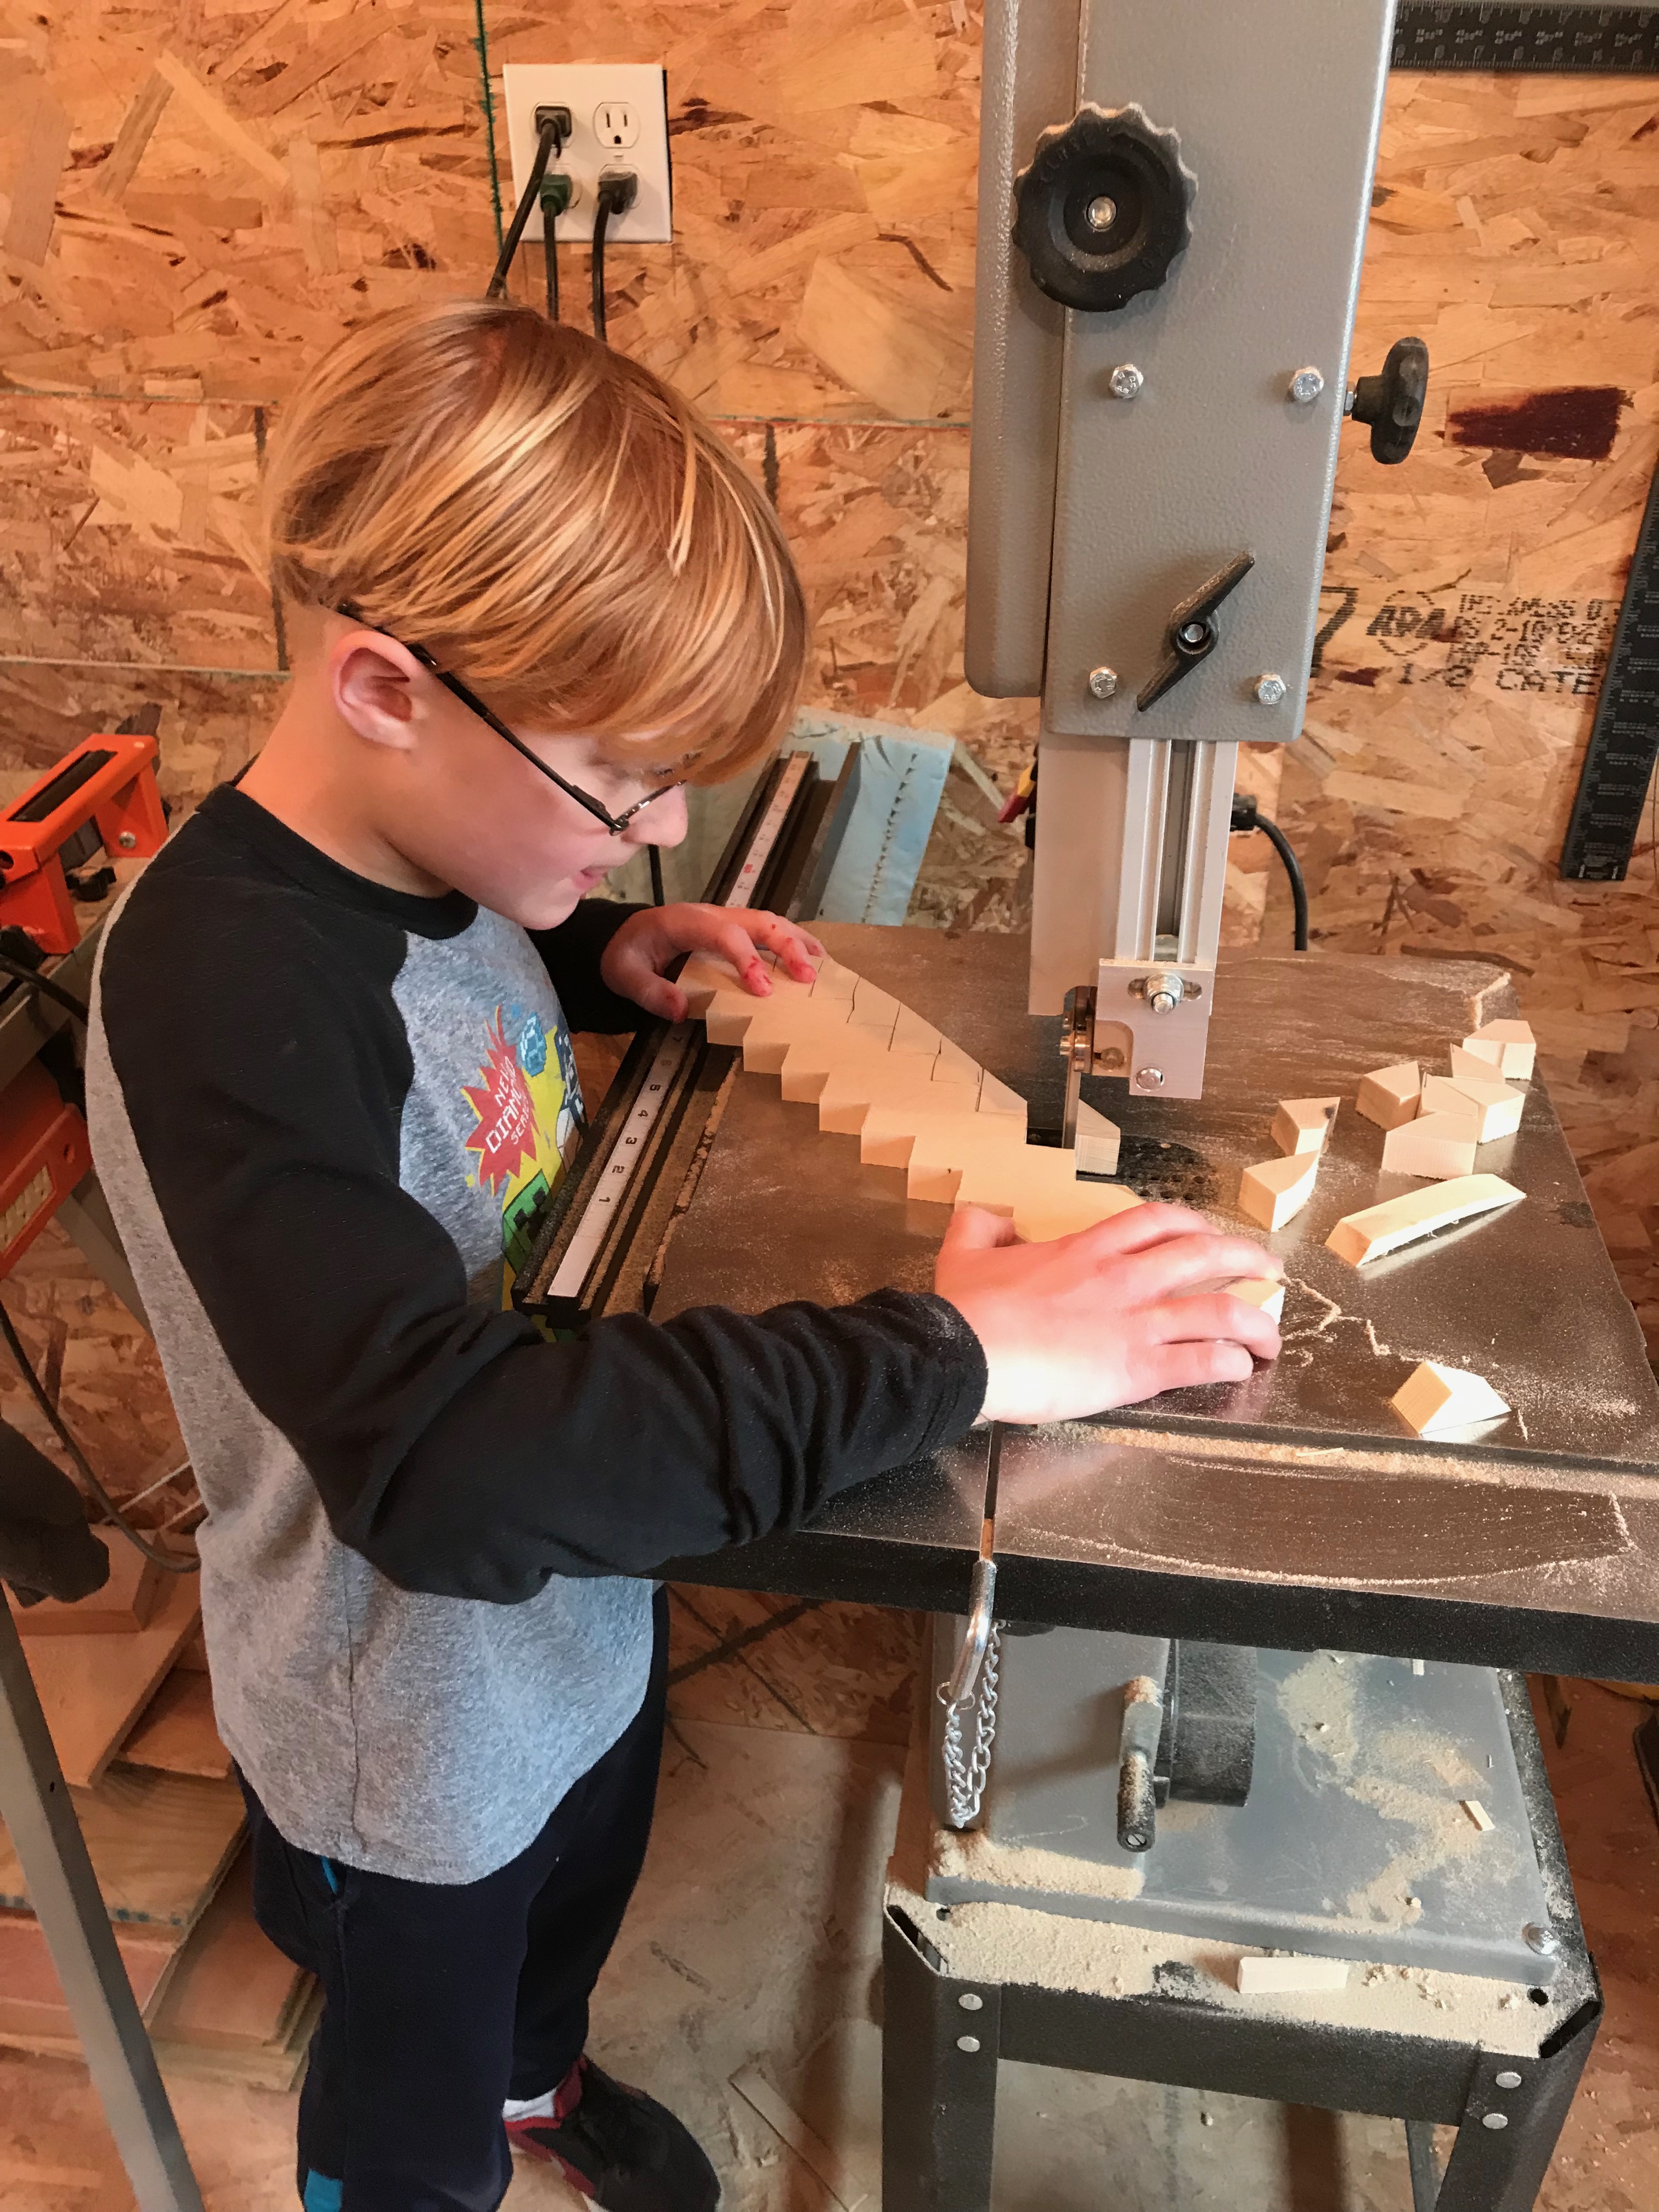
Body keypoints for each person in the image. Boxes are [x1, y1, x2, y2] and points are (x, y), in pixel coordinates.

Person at [84, 301, 1280, 2212]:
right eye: (618, 786)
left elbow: (432, 980)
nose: (655, 831)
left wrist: (592, 951)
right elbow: (447, 1472)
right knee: (413, 2088)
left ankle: (535, 2088)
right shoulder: (218, 986)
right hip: (406, 1732)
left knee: (564, 1923)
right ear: (386, 687)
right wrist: (958, 1354)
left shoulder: (430, 854)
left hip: (576, 1624)